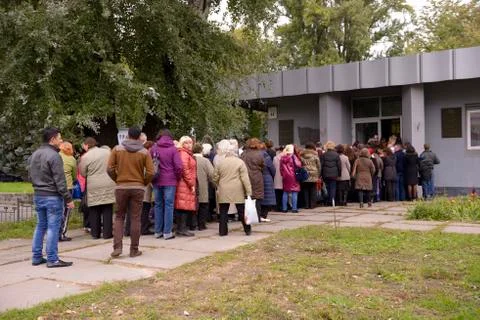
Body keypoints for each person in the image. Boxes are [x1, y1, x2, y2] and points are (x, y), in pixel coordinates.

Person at [29, 127, 74, 268]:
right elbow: (60, 181)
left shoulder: (35, 154)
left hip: (38, 194)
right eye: (59, 138)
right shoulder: (55, 156)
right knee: (53, 228)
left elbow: (30, 175)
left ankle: (36, 257)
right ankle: (52, 259)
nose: (61, 141)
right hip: (52, 196)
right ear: (52, 139)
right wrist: (68, 199)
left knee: (40, 226)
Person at [108, 127, 154, 258]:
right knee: (135, 218)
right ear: (140, 137)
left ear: (128, 135)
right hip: (138, 187)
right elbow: (151, 172)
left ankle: (117, 247)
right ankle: (134, 250)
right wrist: (143, 182)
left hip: (121, 186)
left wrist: (117, 179)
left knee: (119, 217)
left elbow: (110, 168)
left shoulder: (117, 149)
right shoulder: (144, 152)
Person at [79, 138, 115, 240]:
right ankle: (107, 234)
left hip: (93, 185)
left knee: (94, 209)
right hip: (108, 183)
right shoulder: (107, 152)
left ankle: (95, 233)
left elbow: (82, 172)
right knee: (107, 208)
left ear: (86, 145)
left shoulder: (85, 157)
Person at [213, 143, 252, 236]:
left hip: (224, 188)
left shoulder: (220, 163)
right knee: (241, 211)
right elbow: (245, 178)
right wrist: (249, 191)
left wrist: (218, 184)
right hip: (237, 189)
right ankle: (247, 229)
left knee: (223, 211)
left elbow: (215, 177)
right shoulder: (240, 162)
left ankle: (222, 231)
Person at [150, 129, 183, 240]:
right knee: (169, 206)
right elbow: (178, 167)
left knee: (158, 205)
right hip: (170, 180)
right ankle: (167, 232)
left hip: (156, 180)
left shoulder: (154, 148)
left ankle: (157, 231)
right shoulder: (173, 149)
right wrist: (177, 178)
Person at [174, 136, 198, 237]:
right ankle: (182, 229)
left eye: (190, 143)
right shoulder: (183, 154)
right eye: (186, 143)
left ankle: (181, 228)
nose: (189, 145)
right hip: (184, 184)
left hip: (184, 183)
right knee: (183, 206)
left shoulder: (186, 153)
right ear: (182, 144)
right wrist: (191, 183)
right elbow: (185, 170)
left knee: (183, 206)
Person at [241, 138, 265, 221]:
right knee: (257, 198)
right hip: (256, 177)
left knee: (247, 197)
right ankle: (257, 216)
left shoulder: (244, 154)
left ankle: (247, 216)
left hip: (246, 176)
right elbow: (262, 165)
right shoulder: (259, 154)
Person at [58, 141, 77, 241]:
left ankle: (54, 232)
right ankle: (61, 233)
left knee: (57, 210)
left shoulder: (56, 156)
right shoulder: (71, 159)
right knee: (66, 211)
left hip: (56, 187)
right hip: (67, 187)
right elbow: (74, 174)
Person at [193, 143, 214, 230]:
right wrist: (214, 184)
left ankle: (192, 224)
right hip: (203, 186)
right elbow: (212, 174)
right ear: (201, 150)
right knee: (203, 205)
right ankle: (201, 225)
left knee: (193, 206)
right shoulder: (205, 161)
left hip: (191, 186)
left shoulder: (189, 159)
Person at [280, 144, 301, 213]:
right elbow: (299, 165)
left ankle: (284, 208)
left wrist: (283, 175)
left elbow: (281, 168)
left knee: (285, 192)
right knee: (294, 191)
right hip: (293, 176)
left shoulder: (282, 157)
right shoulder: (294, 157)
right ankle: (294, 208)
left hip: (285, 176)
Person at [300, 142, 321, 209]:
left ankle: (306, 205)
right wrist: (318, 174)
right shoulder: (315, 155)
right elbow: (319, 165)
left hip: (305, 173)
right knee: (313, 189)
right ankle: (312, 205)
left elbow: (300, 164)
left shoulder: (302, 155)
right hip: (314, 173)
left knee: (305, 189)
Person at [321, 141, 341, 206]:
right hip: (334, 174)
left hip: (325, 174)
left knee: (327, 187)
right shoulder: (336, 155)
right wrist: (339, 174)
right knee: (333, 187)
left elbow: (321, 165)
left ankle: (327, 201)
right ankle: (332, 201)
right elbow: (339, 166)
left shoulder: (323, 155)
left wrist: (321, 174)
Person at [260, 143, 276, 221]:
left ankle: (258, 214)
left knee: (259, 197)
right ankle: (263, 215)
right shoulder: (266, 157)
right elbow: (272, 169)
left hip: (257, 177)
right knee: (267, 198)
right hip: (267, 178)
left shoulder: (253, 155)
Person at [272, 147, 284, 212]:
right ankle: (283, 206)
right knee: (284, 193)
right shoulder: (286, 157)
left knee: (277, 193)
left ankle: (277, 207)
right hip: (284, 176)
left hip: (277, 177)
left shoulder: (275, 158)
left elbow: (273, 168)